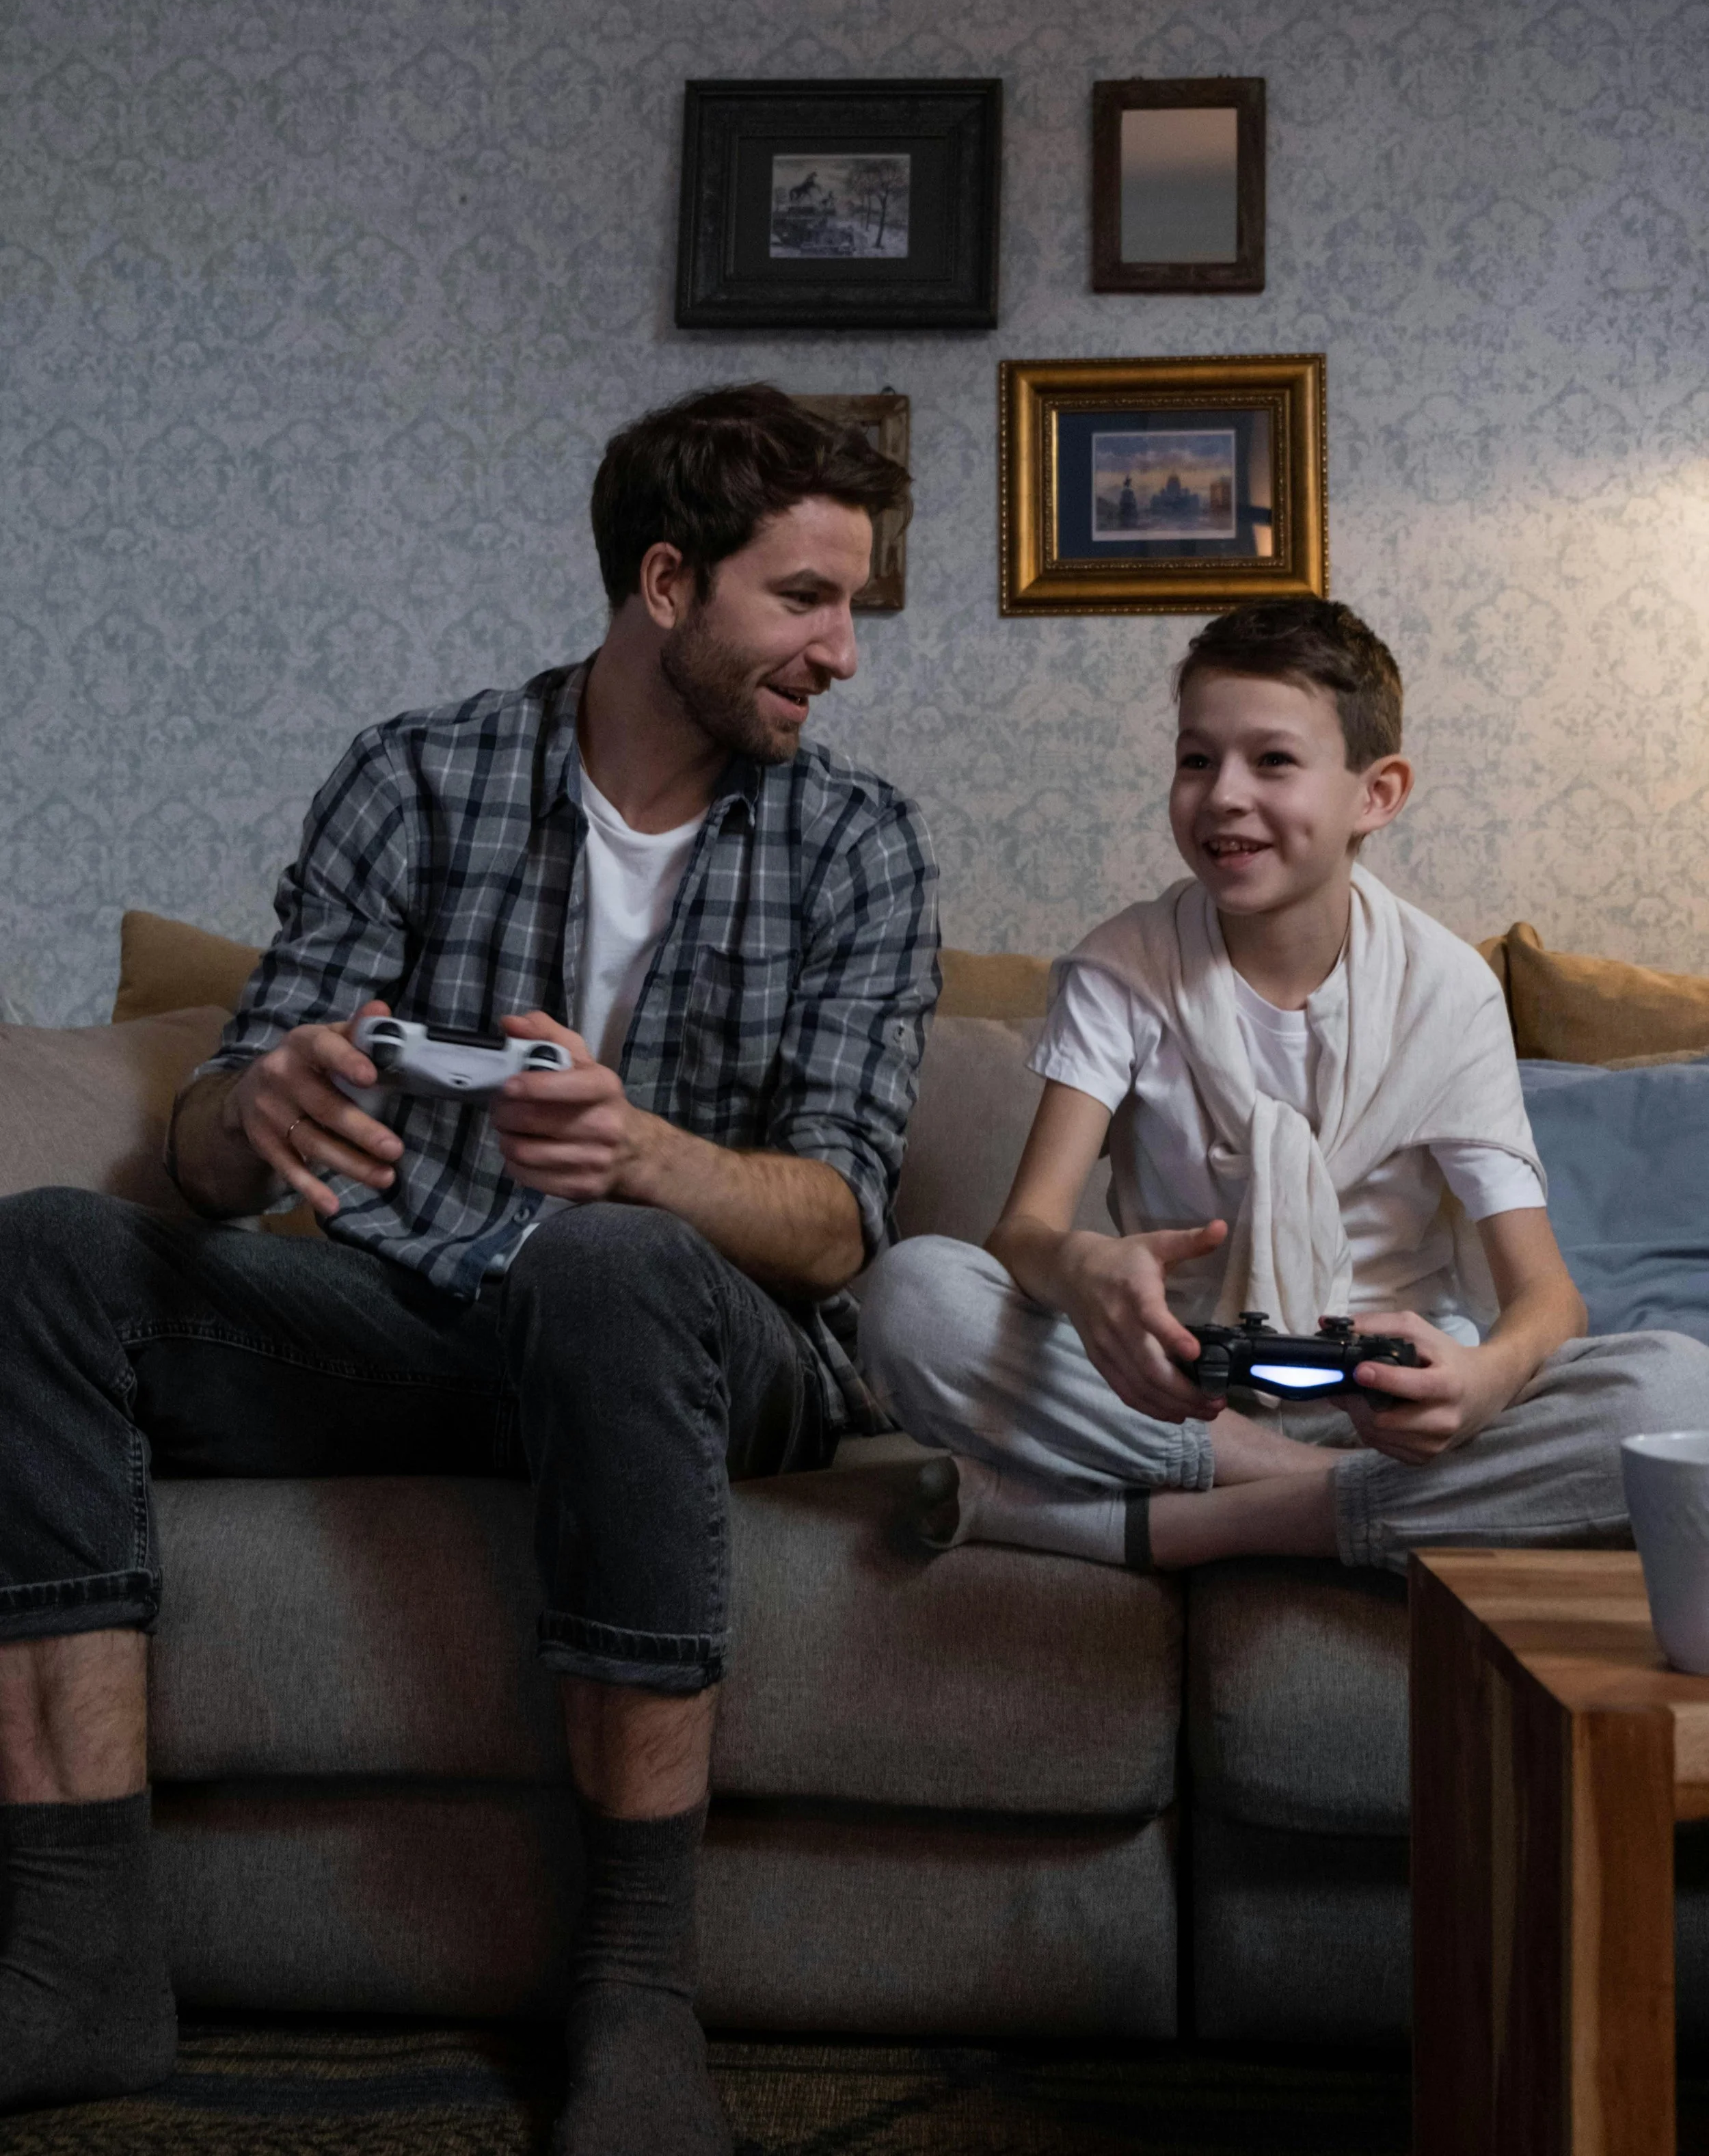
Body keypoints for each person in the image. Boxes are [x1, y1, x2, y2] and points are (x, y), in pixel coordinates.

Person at [0, 384, 939, 2153]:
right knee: (48, 1250)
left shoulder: (856, 844)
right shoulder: (416, 775)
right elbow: (214, 1150)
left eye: (850, 606)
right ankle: (78, 1955)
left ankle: (637, 1993)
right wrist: (253, 1102)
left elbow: (837, 1221)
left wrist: (642, 1154)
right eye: (806, 598)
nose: (841, 650)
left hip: (702, 1343)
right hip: (428, 1307)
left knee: (602, 1257)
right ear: (665, 581)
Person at [860, 596, 1709, 1576]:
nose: (1223, 794)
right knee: (912, 1297)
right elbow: (1027, 1232)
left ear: (1377, 792)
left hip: (1383, 1412)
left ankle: (1177, 1524)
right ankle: (1303, 1497)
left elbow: (1547, 1298)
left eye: (1272, 761)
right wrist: (1084, 1270)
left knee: (1678, 1395)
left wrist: (1482, 1380)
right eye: (1196, 758)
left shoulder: (1447, 990)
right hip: (1180, 1393)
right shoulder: (1122, 966)